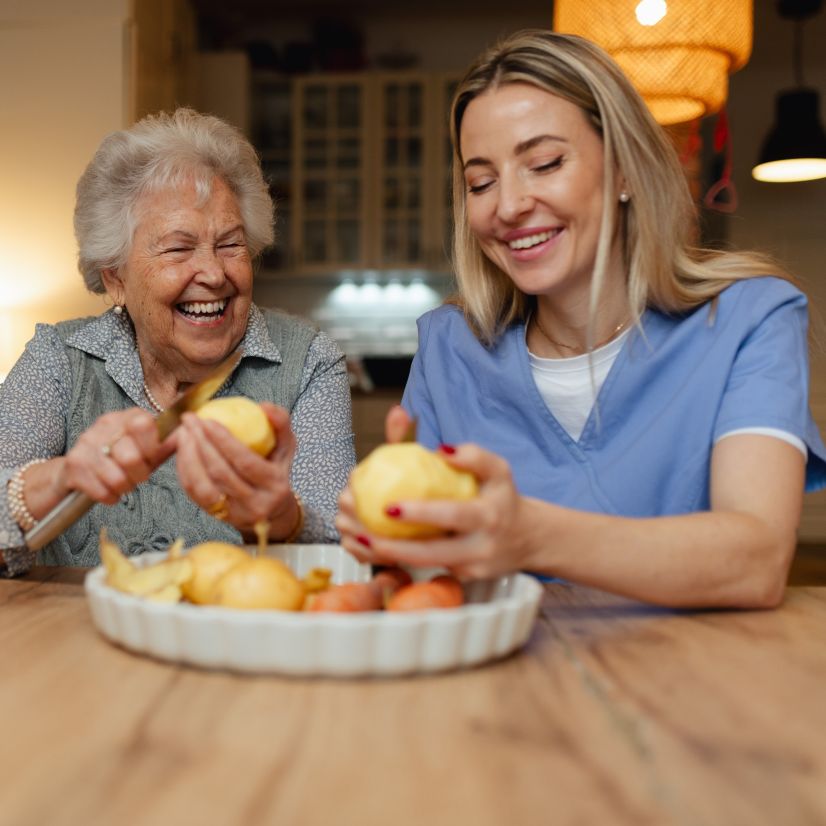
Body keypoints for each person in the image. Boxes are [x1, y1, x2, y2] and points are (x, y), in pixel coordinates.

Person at [336, 29, 826, 609]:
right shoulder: (450, 349)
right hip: (497, 688)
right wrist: (308, 521)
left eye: (544, 163)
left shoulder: (750, 319)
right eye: (481, 181)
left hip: (693, 686)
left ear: (623, 171)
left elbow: (756, 560)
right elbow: (417, 575)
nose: (509, 205)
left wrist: (531, 536)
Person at [0, 108, 355, 576]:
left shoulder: (307, 362)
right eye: (178, 248)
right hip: (81, 638)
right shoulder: (60, 360)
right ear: (115, 278)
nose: (213, 273)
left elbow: (345, 553)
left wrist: (282, 519)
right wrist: (59, 477)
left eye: (230, 244)